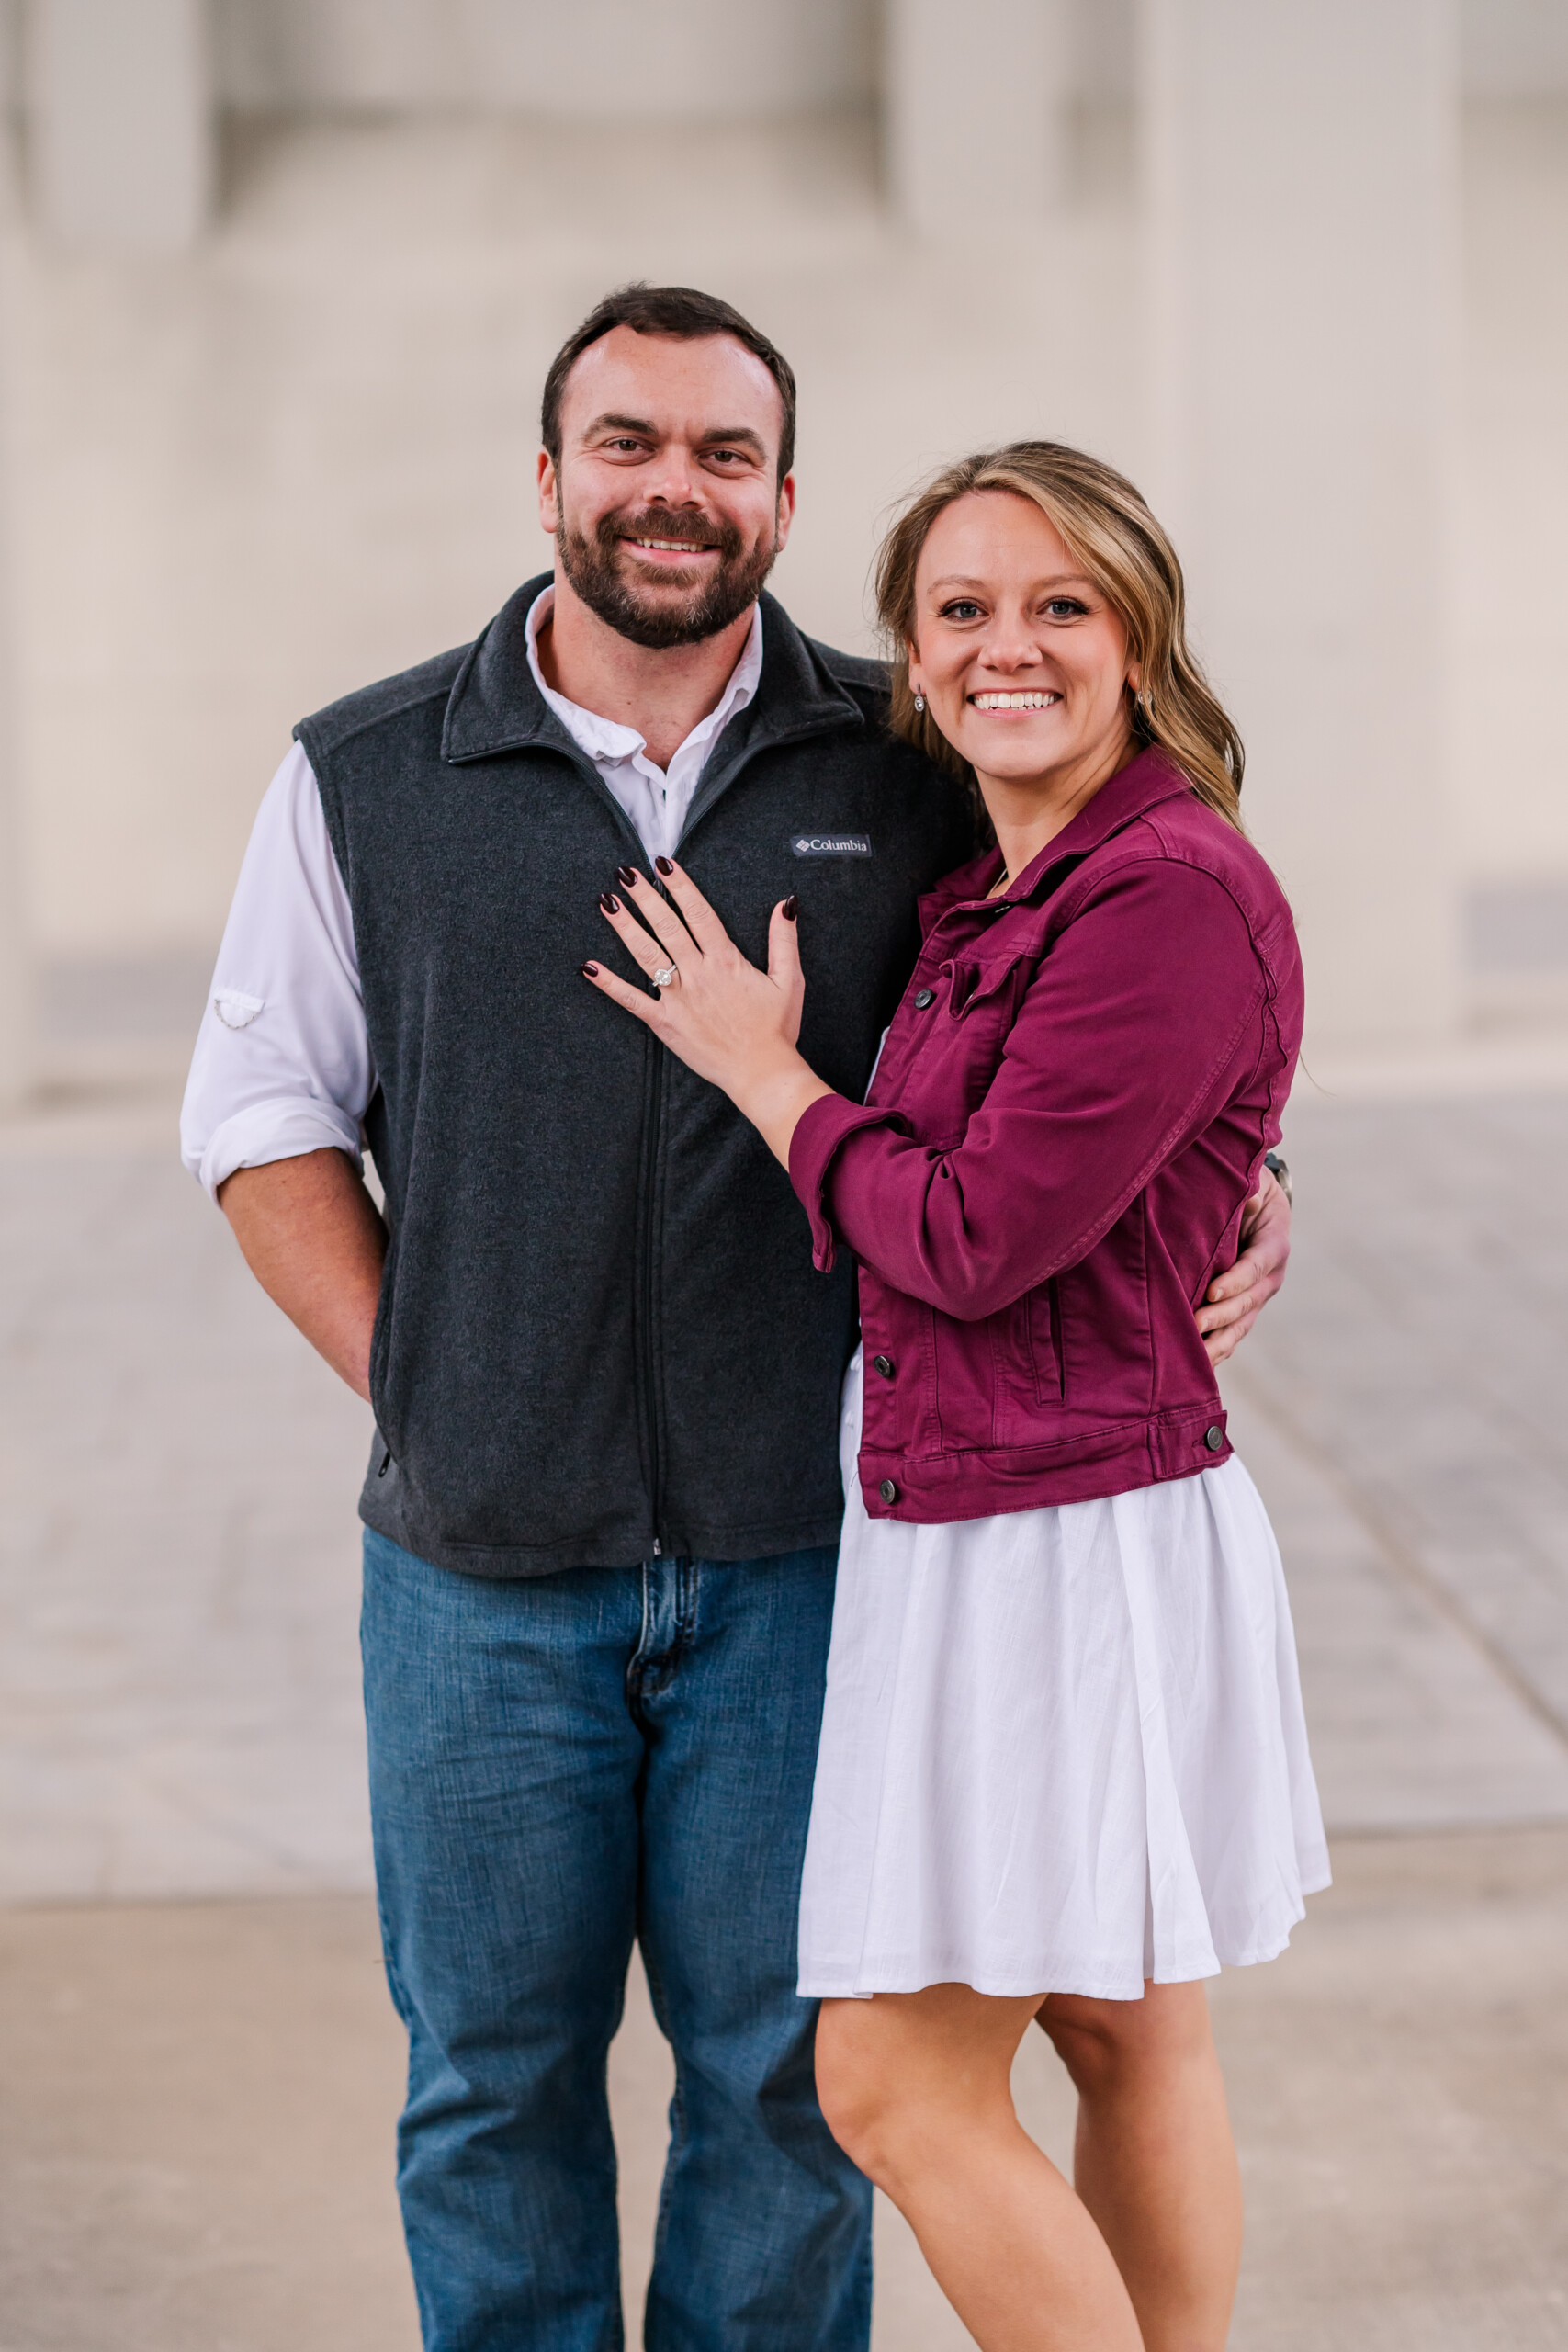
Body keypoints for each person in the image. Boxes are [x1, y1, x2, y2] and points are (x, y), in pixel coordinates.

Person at [180, 288, 1292, 2352]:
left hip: (816, 1558)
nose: (668, 491)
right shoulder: (363, 769)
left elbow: (1125, 1002)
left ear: (783, 499)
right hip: (479, 1573)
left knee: (788, 2089)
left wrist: (1251, 1184)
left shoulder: (918, 745)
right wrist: (433, 1383)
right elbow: (258, 1121)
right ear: (547, 479)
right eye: (627, 445)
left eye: (718, 455)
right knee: (488, 2083)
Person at [582, 439, 1327, 2352]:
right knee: (1118, 2016)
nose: (1010, 647)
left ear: (1139, 634)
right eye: (962, 610)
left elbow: (975, 1232)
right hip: (1016, 1503)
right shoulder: (1007, 882)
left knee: (889, 2088)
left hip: (1048, 1535)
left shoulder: (1155, 886)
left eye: (1058, 604)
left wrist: (762, 1072)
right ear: (908, 656)